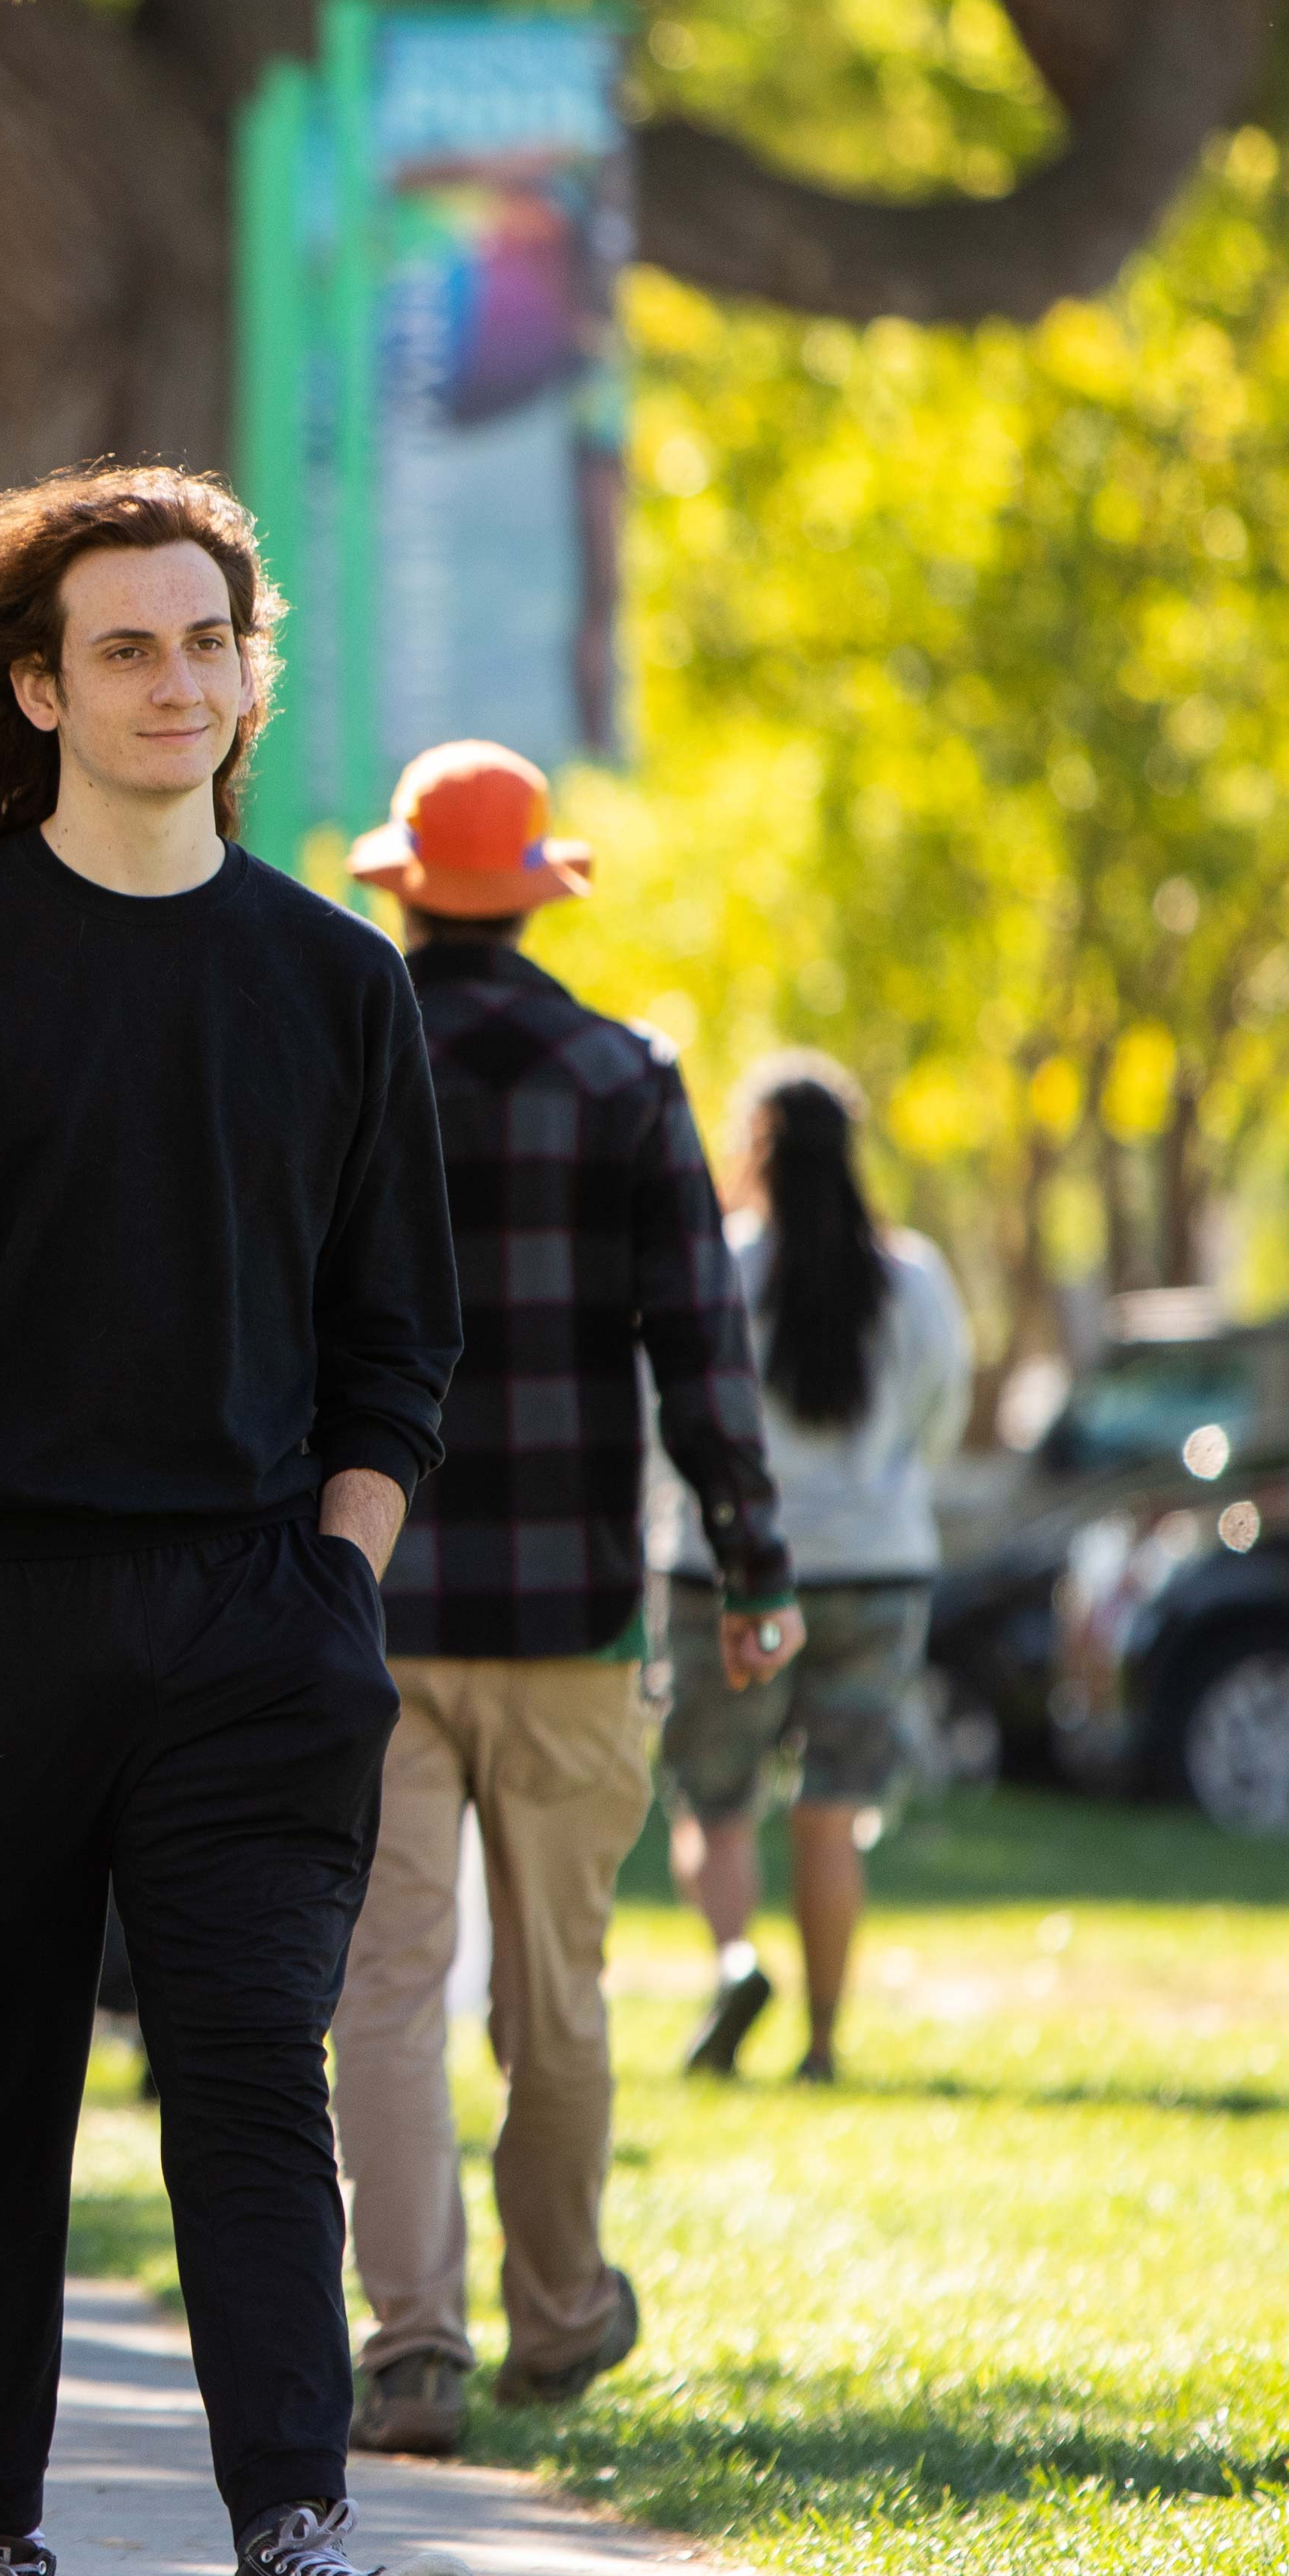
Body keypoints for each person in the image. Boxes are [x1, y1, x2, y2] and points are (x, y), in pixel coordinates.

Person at [0, 465, 474, 2576]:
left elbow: (400, 1344)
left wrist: (323, 1579)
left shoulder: (332, 977)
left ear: (247, 671)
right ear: (40, 682)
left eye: (208, 641)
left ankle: (291, 2555)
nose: (177, 682)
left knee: (249, 2072)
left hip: (254, 1631)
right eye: (128, 647)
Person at [336, 742, 804, 2465]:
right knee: (557, 1989)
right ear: (545, 888)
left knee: (386, 1978)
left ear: (398, 886)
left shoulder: (336, 1063)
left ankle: (411, 2346)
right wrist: (753, 1570)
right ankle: (557, 2311)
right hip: (576, 1613)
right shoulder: (624, 1077)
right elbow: (704, 1357)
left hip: (364, 1600)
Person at [669, 1053, 970, 2087]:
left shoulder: (721, 1262)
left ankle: (735, 1961)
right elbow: (944, 1415)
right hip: (881, 1570)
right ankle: (826, 2043)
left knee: (715, 1799)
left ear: (751, 1149)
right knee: (832, 1811)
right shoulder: (915, 1276)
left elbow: (669, 1409)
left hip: (731, 1570)